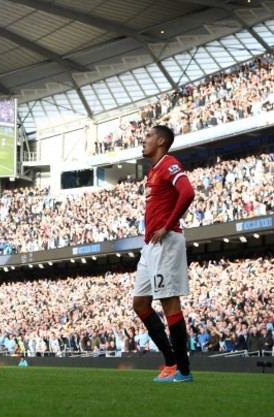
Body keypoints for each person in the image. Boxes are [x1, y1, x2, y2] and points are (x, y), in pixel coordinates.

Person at [132, 125, 195, 383]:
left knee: (169, 302)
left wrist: (167, 225)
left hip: (166, 242)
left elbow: (188, 192)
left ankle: (183, 370)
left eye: (147, 136)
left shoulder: (169, 164)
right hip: (150, 247)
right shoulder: (153, 171)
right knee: (140, 303)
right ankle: (171, 361)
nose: (143, 140)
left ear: (160, 141)